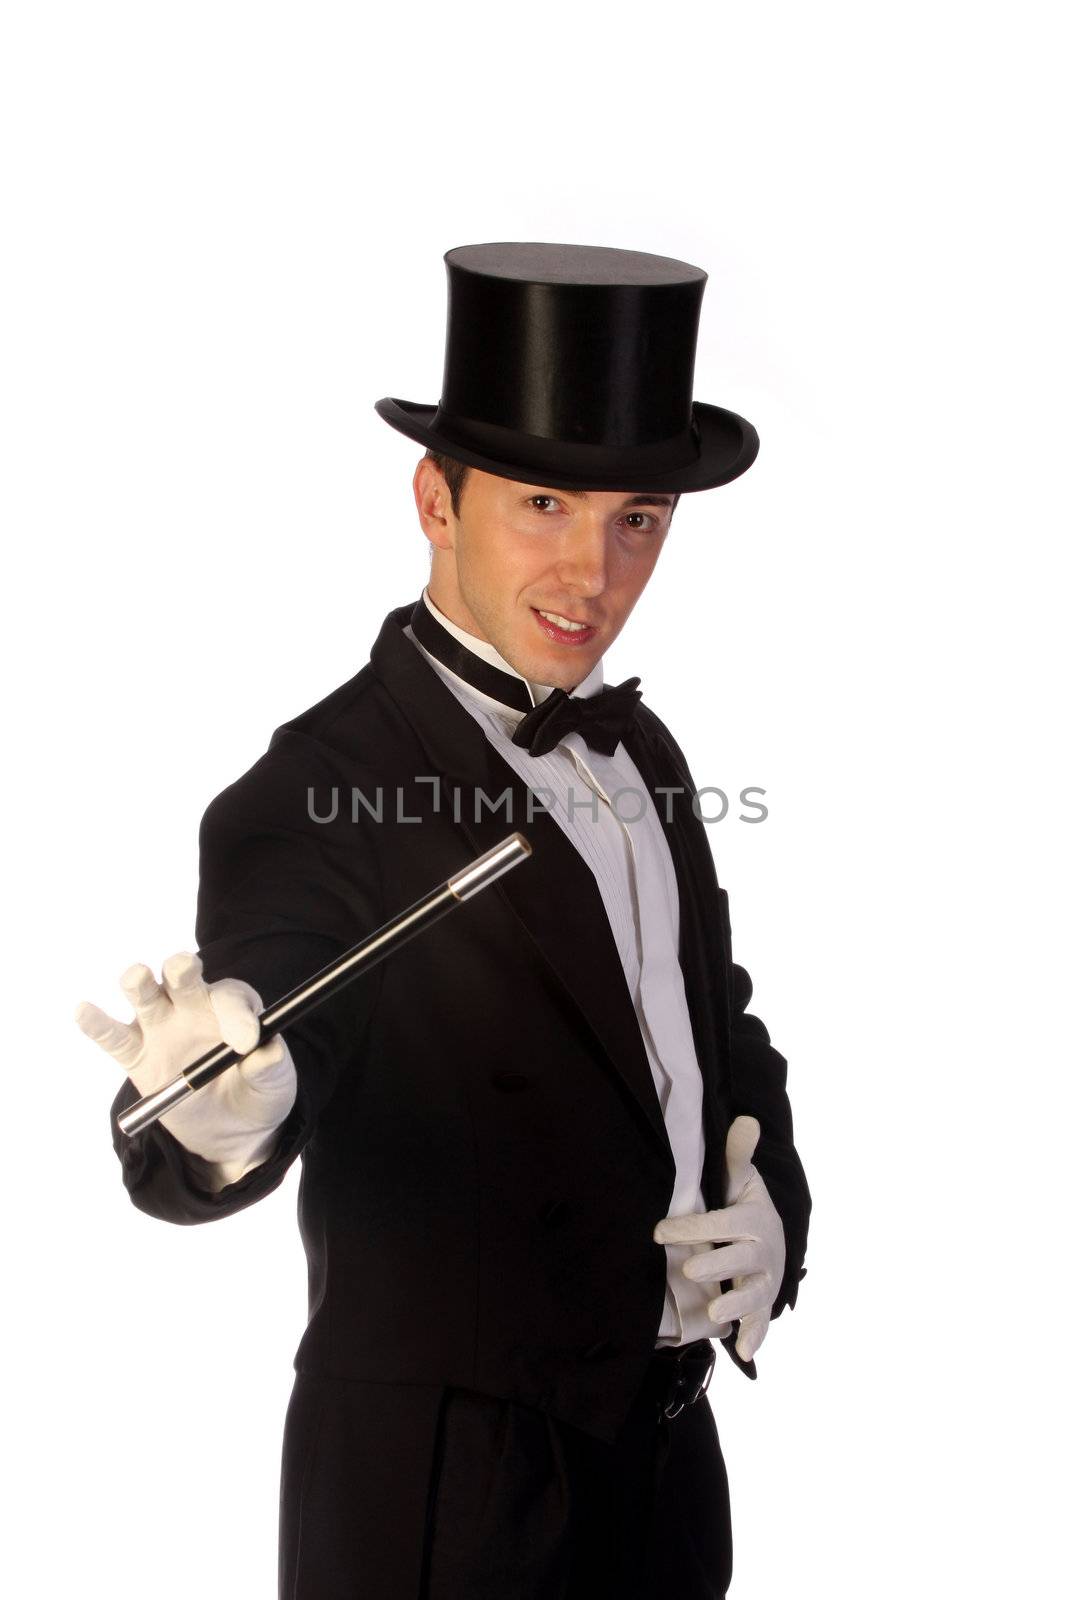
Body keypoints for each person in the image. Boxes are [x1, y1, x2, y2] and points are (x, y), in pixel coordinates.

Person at [77, 241, 812, 1599]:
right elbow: (262, 1032)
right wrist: (226, 1114)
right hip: (449, 1498)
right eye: (543, 503)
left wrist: (770, 1207)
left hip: (665, 1465)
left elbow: (715, 1021)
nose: (592, 571)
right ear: (436, 499)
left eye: (635, 516)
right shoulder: (313, 789)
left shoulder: (641, 748)